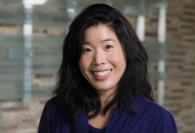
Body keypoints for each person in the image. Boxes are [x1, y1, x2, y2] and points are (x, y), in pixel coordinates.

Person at [38, 3, 177, 133]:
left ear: (127, 50)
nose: (98, 60)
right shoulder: (54, 111)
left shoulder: (157, 120)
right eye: (87, 50)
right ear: (76, 57)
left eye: (108, 46)